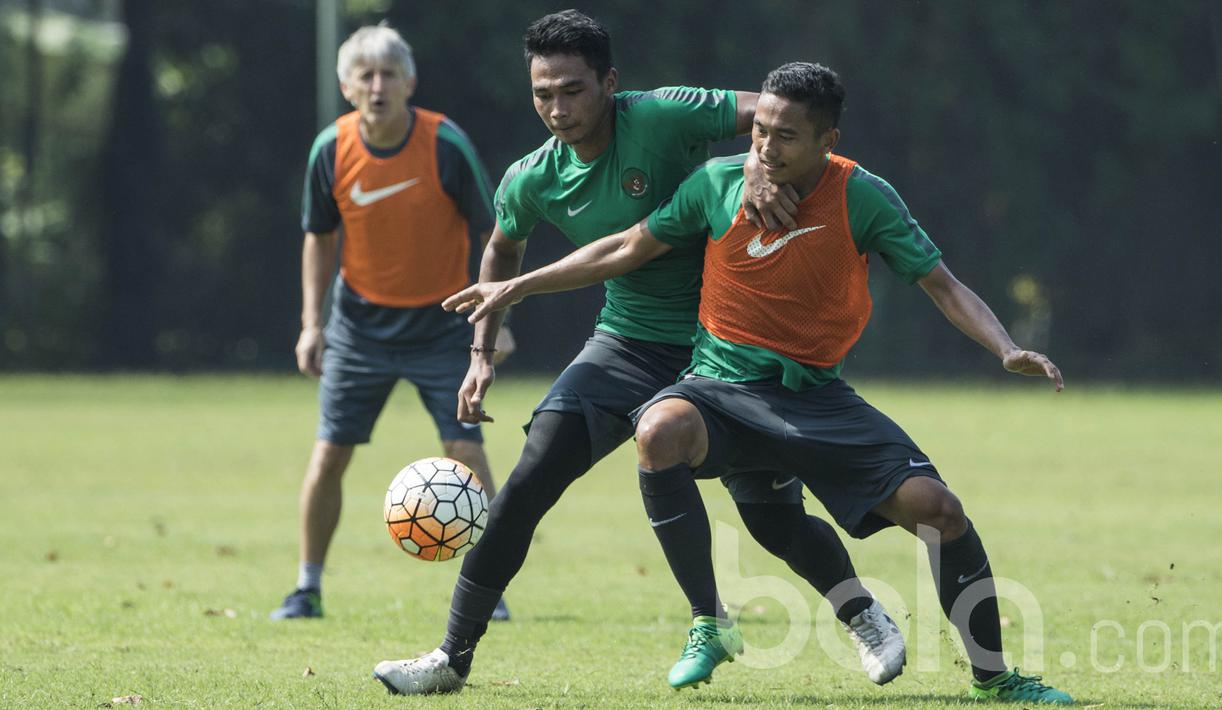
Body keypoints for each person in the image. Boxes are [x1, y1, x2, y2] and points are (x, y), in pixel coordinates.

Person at [444, 62, 1076, 704]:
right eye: (760, 133)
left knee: (935, 511)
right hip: (718, 390)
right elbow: (625, 247)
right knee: (658, 428)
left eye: (786, 137)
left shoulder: (864, 196)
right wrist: (517, 286)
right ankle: (706, 623)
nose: (767, 148)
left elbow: (942, 284)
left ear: (828, 141)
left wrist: (1006, 347)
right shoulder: (714, 183)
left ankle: (996, 678)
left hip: (814, 398)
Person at [372, 11, 904, 695]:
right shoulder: (530, 177)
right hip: (625, 343)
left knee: (771, 518)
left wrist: (752, 165)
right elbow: (502, 250)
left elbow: (769, 113)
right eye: (542, 94)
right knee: (528, 481)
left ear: (609, 84)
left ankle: (862, 615)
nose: (557, 109)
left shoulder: (662, 115)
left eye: (573, 90)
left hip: (729, 353)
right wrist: (481, 350)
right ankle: (451, 657)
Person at [270, 24, 510, 622]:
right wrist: (311, 323)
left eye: (388, 74)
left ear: (410, 82)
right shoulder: (330, 149)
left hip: (442, 325)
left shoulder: (444, 145)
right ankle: (307, 587)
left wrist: (493, 320)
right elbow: (318, 239)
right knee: (329, 456)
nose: (377, 86)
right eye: (365, 75)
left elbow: (496, 234)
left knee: (466, 450)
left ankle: (490, 589)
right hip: (359, 328)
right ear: (347, 86)